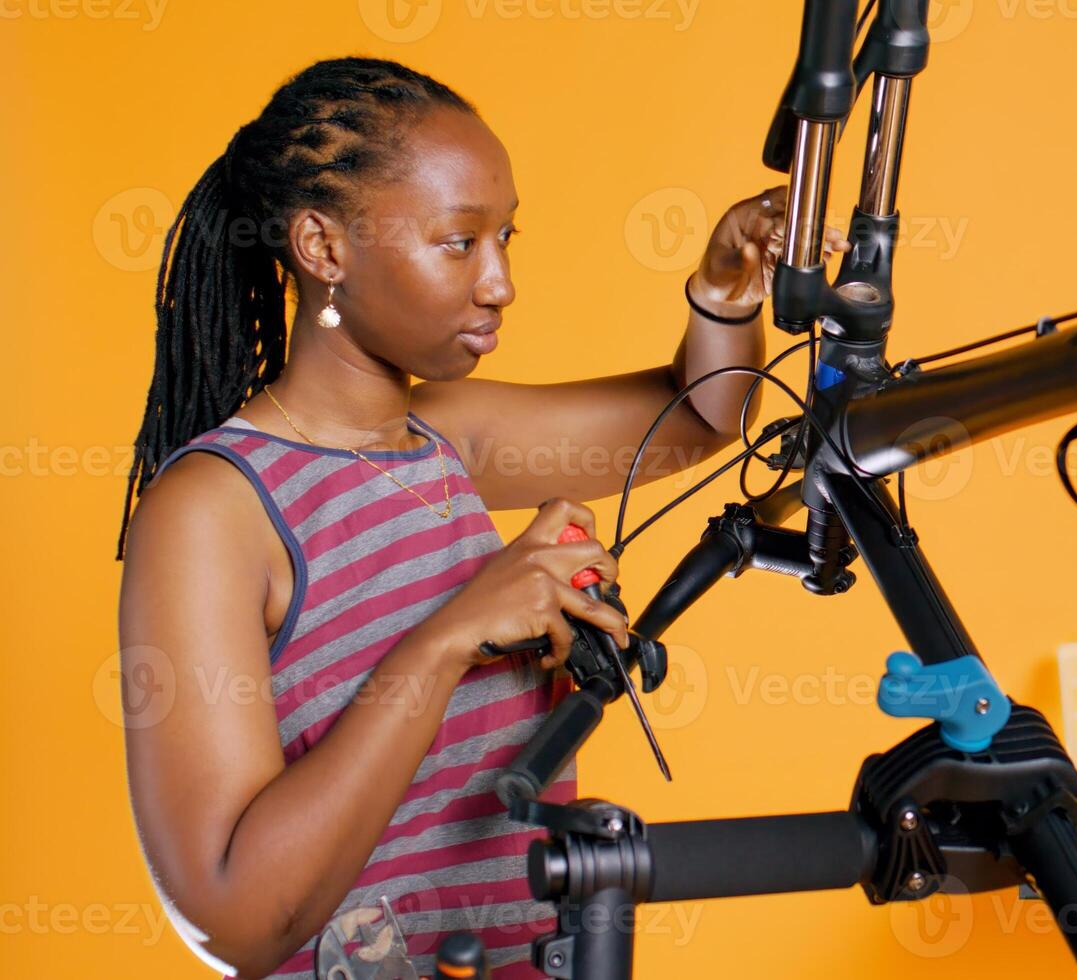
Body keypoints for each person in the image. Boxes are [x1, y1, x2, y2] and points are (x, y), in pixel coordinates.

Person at [113, 56, 845, 979]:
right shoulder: (212, 510)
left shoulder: (442, 440)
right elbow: (237, 919)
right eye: (460, 242)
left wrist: (725, 290)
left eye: (506, 237)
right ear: (323, 248)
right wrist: (450, 634)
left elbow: (699, 419)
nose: (500, 283)